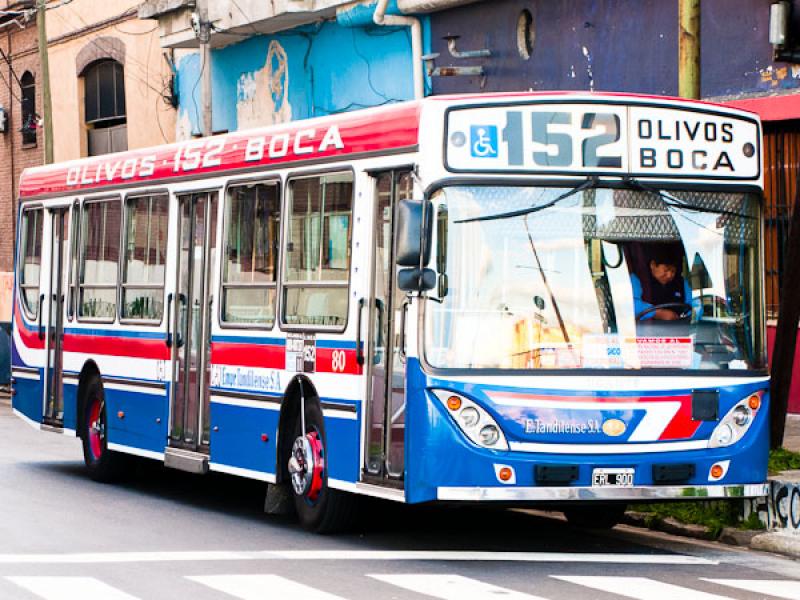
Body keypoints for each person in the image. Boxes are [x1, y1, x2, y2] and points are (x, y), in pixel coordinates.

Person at [630, 244, 692, 321]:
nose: (669, 275)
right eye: (666, 270)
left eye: (673, 271)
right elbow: (630, 305)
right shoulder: (637, 279)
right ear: (653, 265)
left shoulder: (682, 282)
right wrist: (657, 313)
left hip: (679, 329)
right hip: (644, 330)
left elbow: (693, 303)